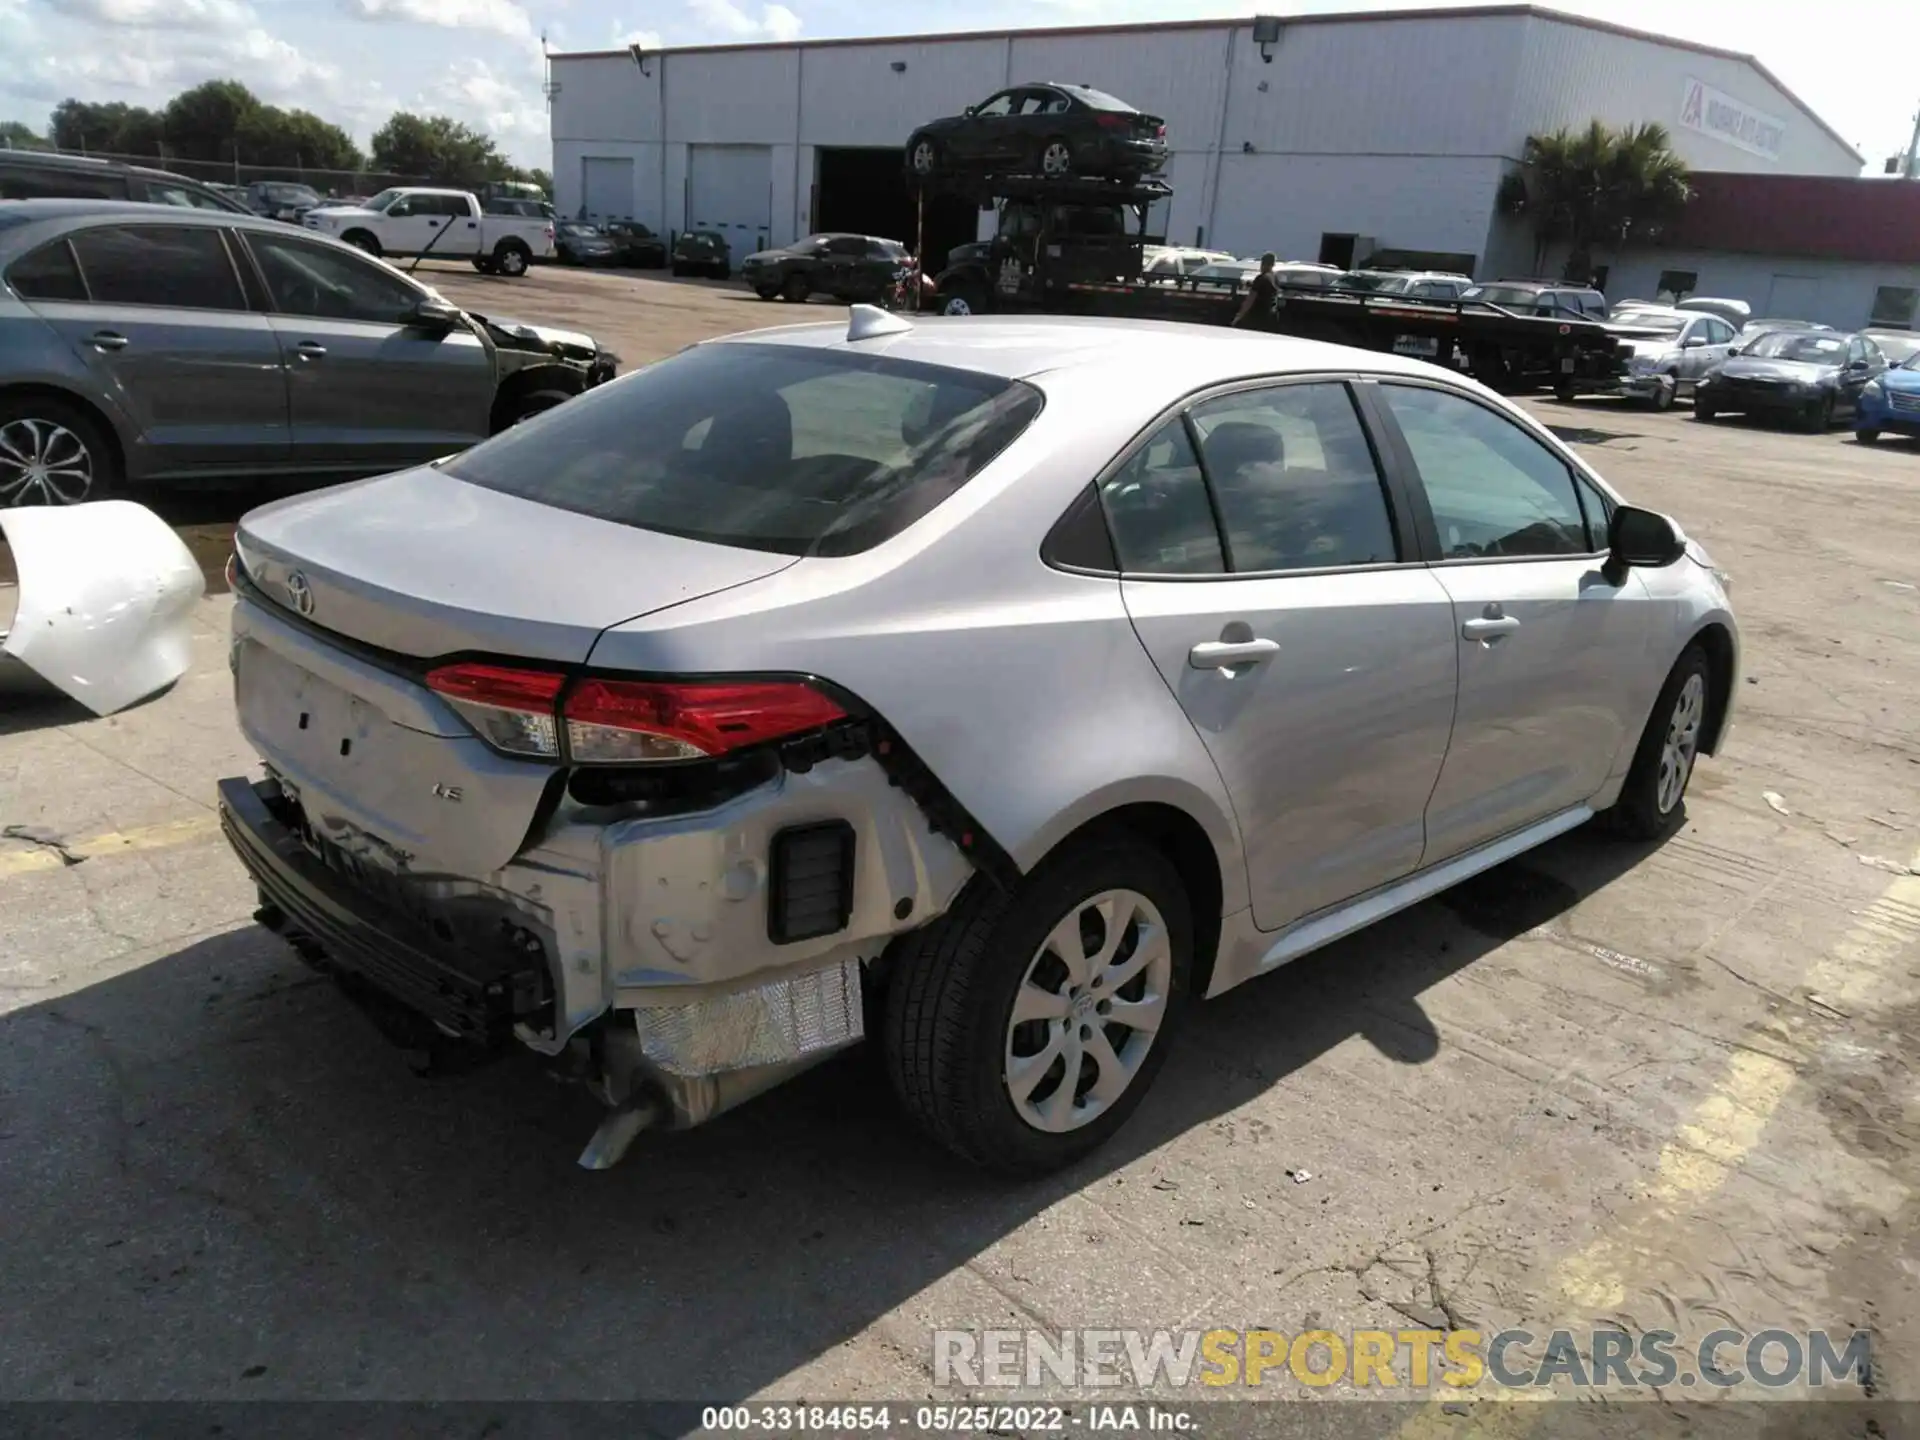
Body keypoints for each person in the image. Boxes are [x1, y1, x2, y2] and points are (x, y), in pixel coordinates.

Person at [1234, 252, 1279, 330]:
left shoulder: (1261, 278)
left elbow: (1250, 299)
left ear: (1262, 263)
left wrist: (1239, 316)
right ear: (1273, 264)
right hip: (1270, 314)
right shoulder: (1274, 277)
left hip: (1257, 316)